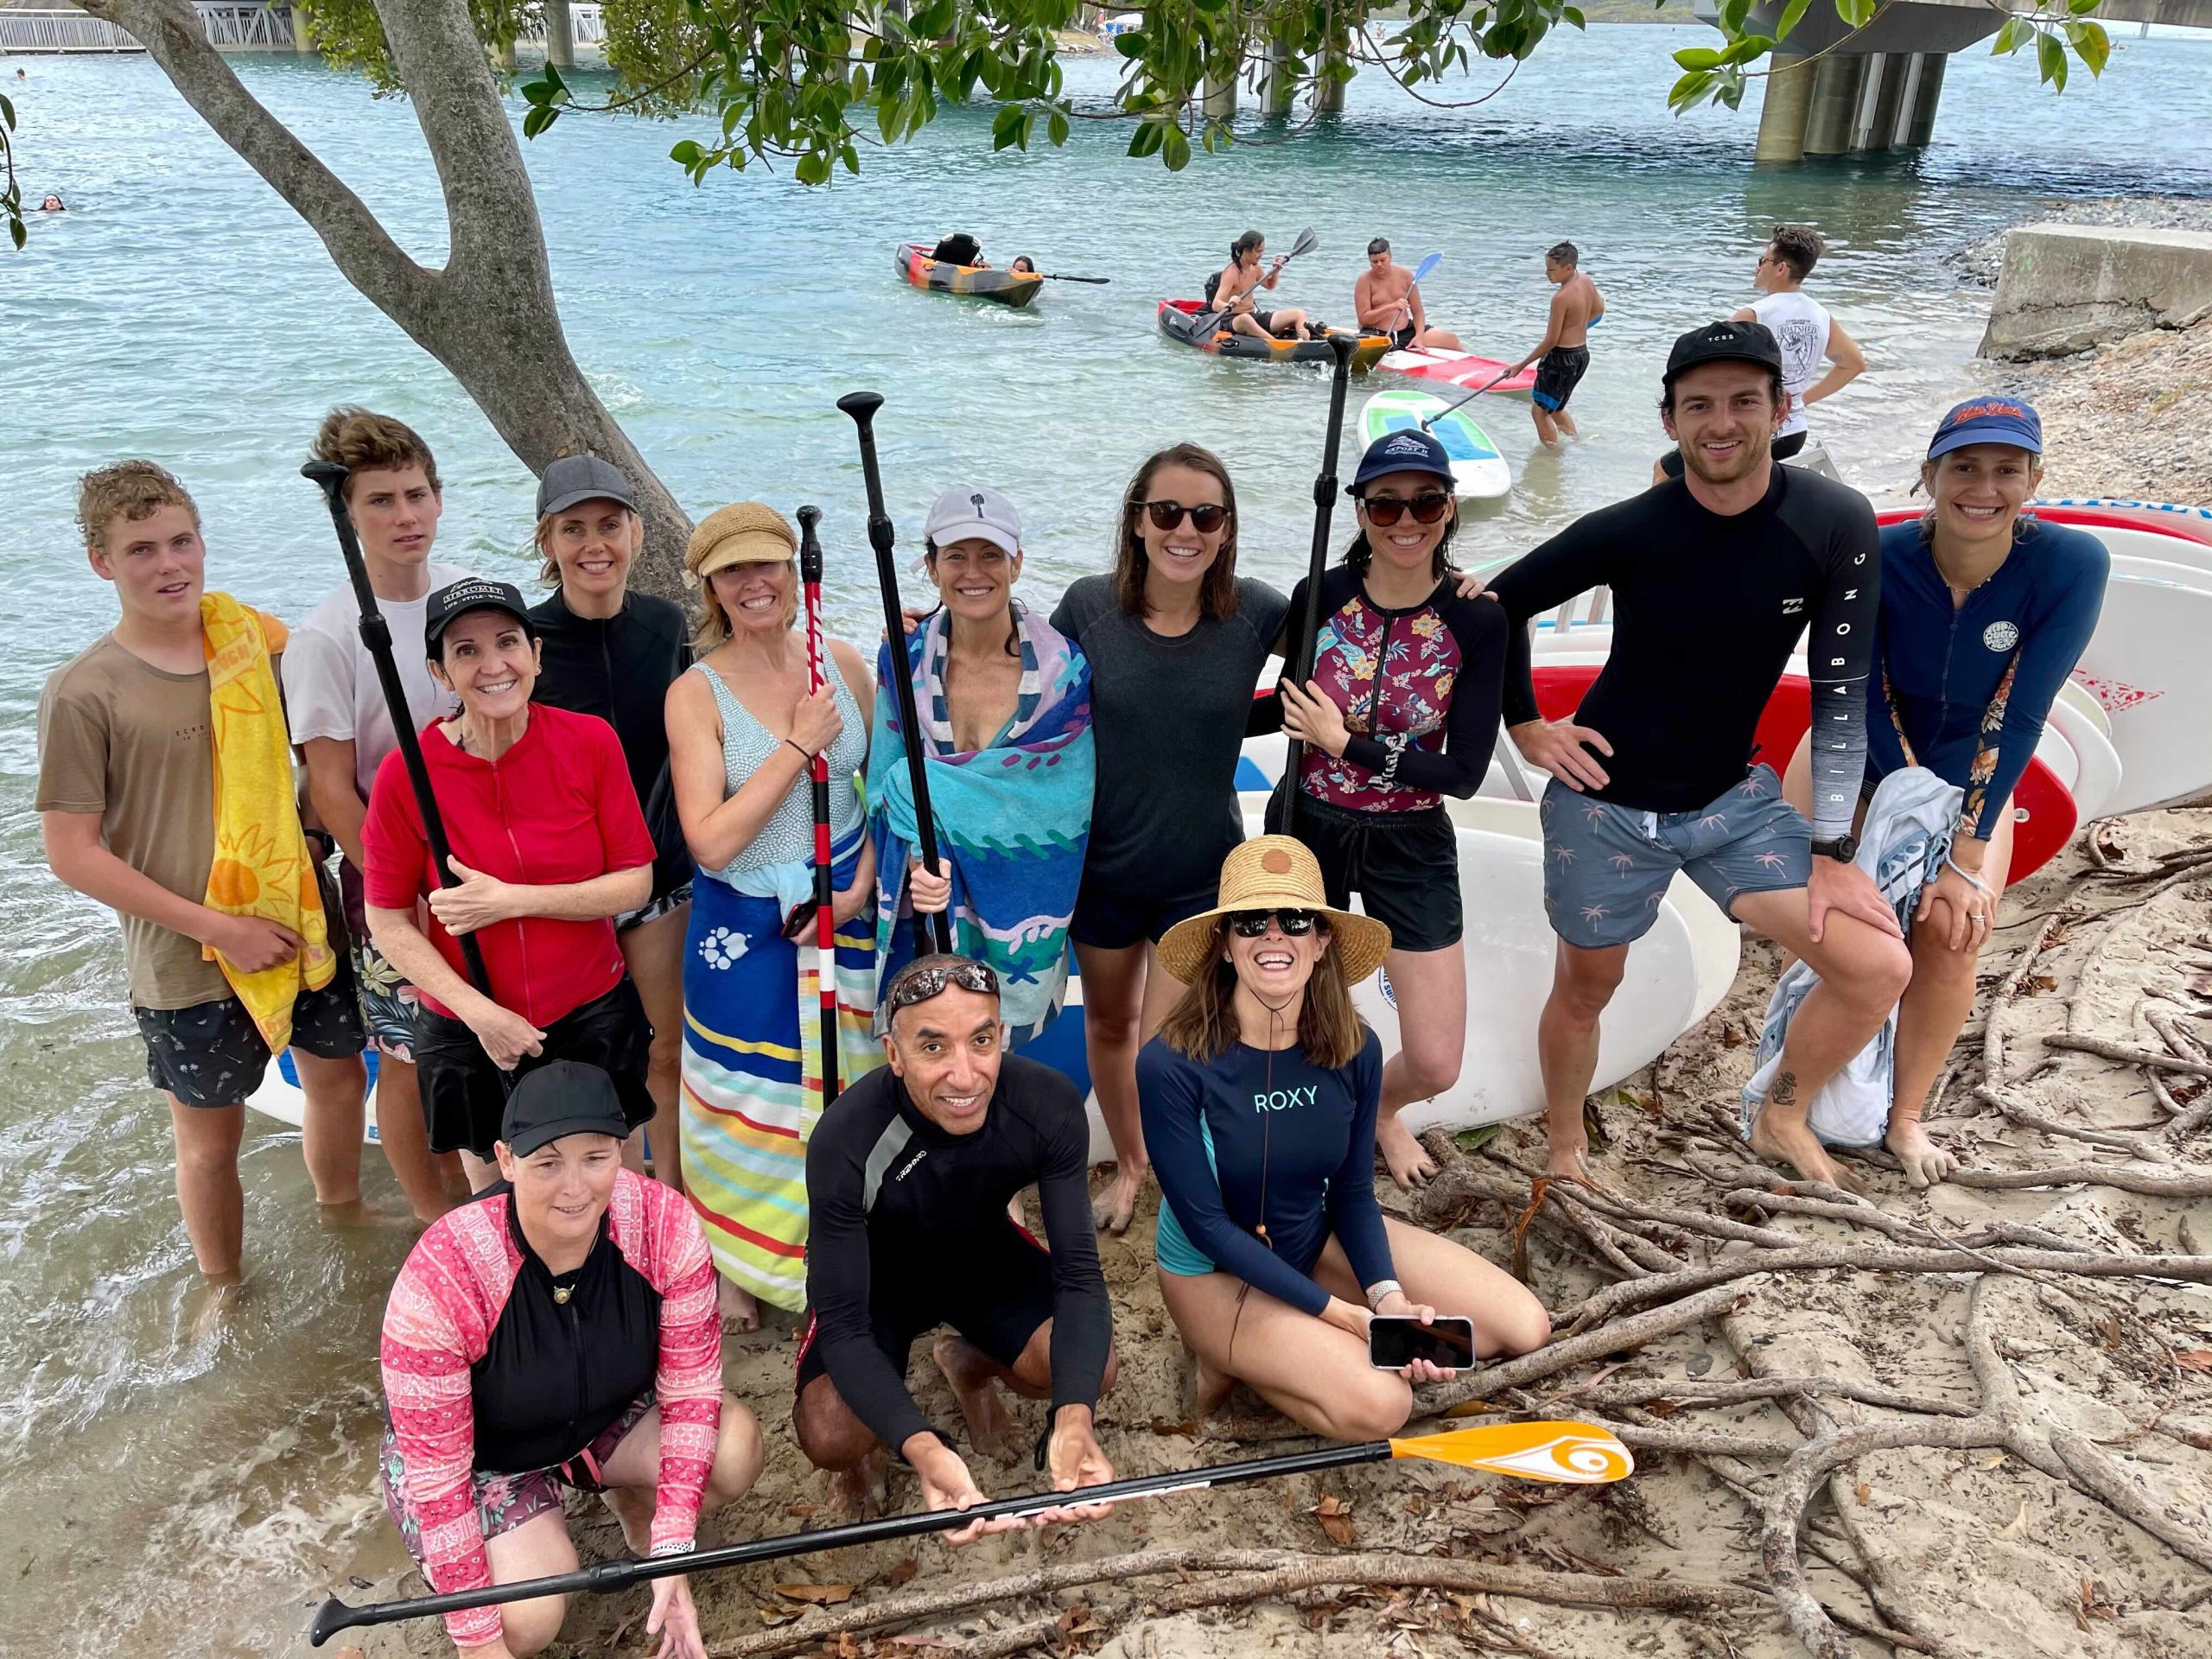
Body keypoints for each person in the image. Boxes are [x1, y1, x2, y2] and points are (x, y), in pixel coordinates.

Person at [1484, 321, 1913, 1191]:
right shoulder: (1631, 527)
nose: (1722, 423)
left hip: (1729, 801)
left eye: (1743, 402)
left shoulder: (1832, 521)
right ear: (1671, 421)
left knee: (1877, 968)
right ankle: (1566, 1142)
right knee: (1587, 987)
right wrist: (1527, 725)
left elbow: (1840, 693)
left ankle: (1781, 1111)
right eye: (1698, 406)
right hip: (1603, 799)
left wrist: (1832, 852)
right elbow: (1499, 606)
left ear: (1780, 408)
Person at [38, 461, 368, 1282]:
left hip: (297, 914)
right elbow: (72, 852)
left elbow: (319, 762)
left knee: (337, 1081)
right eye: (141, 549)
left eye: (181, 541)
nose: (169, 565)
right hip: (184, 953)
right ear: (102, 563)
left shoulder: (254, 643)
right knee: (210, 1139)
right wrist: (219, 928)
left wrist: (321, 840)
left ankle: (345, 1218)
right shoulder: (85, 692)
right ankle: (225, 1287)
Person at [1778, 397, 2105, 1188]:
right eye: (1963, 466)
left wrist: (1960, 851)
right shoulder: (1877, 555)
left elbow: (2020, 710)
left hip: (1974, 770)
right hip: (1856, 757)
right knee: (1848, 925)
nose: (1983, 487)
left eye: (2006, 469)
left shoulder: (2071, 563)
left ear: (2034, 478)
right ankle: (1796, 1089)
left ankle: (1906, 1117)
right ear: (1929, 474)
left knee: (1957, 930)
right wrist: (1896, 814)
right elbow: (1850, 693)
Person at [1139, 836, 1549, 1440]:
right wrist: (1344, 1317)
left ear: (1321, 940)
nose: (1273, 936)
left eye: (1296, 920)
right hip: (1215, 1273)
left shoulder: (1355, 1049)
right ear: (1224, 945)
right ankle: (1230, 1356)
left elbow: (1354, 1192)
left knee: (1520, 1328)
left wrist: (1385, 1299)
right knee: (1383, 1406)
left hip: (1309, 1239)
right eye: (1251, 922)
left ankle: (1295, 1342)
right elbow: (1207, 1225)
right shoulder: (1170, 1064)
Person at [378, 1061, 764, 1659]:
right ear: (505, 1161)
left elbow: (690, 1393)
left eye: (595, 1156)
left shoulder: (665, 1224)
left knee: (732, 1453)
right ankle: (532, 1533)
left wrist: (673, 1549)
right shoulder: (444, 1275)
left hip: (604, 1418)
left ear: (625, 1148)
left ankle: (631, 1505)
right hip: (486, 1459)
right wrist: (479, 1645)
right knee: (524, 1623)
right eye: (547, 1162)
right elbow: (440, 1482)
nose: (575, 1188)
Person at [1051, 444, 1291, 1234]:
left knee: (1168, 1049)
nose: (1185, 529)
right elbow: (1011, 681)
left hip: (1199, 872)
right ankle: (1130, 1166)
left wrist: (1456, 590)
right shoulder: (1088, 607)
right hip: (1104, 869)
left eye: (1206, 516)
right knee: (1109, 1026)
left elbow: (1359, 629)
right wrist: (936, 630)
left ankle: (1191, 1180)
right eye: (1168, 512)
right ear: (1138, 521)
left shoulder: (1255, 612)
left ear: (1226, 531)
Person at [795, 955, 1117, 1525]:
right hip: (877, 1283)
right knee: (832, 1434)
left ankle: (969, 1365)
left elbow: (1080, 1279)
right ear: (894, 1054)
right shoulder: (846, 1138)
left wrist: (1074, 1418)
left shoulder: (1045, 1103)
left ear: (1003, 1037)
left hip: (983, 1258)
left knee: (1091, 1369)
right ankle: (862, 1458)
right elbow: (844, 1328)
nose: (965, 1076)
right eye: (934, 1047)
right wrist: (921, 1446)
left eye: (982, 1040)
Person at [362, 579, 659, 1193]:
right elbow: (387, 919)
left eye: (507, 643)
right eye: (466, 651)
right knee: (499, 1203)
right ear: (440, 672)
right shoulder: (406, 774)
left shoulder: (589, 743)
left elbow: (635, 882)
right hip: (471, 1026)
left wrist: (512, 901)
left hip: (590, 1011)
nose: (493, 665)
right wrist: (481, 1016)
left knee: (611, 1188)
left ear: (536, 655)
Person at [1268, 430, 1508, 1188]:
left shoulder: (1477, 619)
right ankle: (1320, 1126)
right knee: (1307, 1008)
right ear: (1362, 511)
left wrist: (1349, 743)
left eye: (1427, 502)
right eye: (1386, 504)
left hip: (1412, 835)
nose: (1407, 520)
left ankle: (1378, 1110)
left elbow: (1465, 772)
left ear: (1450, 509)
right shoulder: (1321, 595)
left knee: (1436, 1058)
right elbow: (1274, 700)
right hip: (1308, 822)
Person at [664, 502, 881, 1328]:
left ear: (795, 575)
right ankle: (746, 1261)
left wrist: (859, 886)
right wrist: (797, 746)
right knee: (750, 1090)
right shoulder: (696, 693)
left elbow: (886, 796)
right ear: (711, 587)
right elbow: (710, 842)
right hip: (747, 921)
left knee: (851, 1071)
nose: (754, 584)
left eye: (770, 566)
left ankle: (849, 1235)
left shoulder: (846, 665)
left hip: (844, 905)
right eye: (734, 572)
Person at [284, 408, 472, 1222]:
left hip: (480, 856)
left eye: (417, 494)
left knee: (479, 1031)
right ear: (348, 515)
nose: (405, 517)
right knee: (404, 1051)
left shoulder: (463, 597)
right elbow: (329, 787)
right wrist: (403, 892)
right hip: (389, 868)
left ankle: (483, 1190)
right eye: (381, 502)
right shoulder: (325, 638)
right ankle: (431, 1212)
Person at [871, 486, 1093, 1049]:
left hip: (1016, 897)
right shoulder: (904, 657)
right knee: (930, 1041)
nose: (975, 572)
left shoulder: (1061, 673)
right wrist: (919, 855)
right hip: (927, 896)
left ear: (1017, 562)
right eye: (956, 556)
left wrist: (939, 801)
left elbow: (1063, 802)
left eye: (991, 554)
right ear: (930, 567)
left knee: (996, 1053)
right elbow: (887, 780)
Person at [527, 454, 694, 1192]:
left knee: (663, 1050)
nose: (594, 544)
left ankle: (672, 1197)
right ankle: (601, 1195)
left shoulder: (664, 624)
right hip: (567, 886)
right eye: (574, 529)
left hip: (659, 876)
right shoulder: (523, 640)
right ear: (547, 543)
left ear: (636, 530)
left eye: (609, 525)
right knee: (585, 1058)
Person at [1658, 225, 1866, 483]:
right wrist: (1801, 400)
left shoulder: (1755, 314)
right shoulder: (1820, 314)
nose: (1757, 267)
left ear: (1781, 269)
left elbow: (1716, 373)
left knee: (1664, 471)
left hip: (1761, 431)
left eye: (1763, 260)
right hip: (1795, 432)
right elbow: (1854, 364)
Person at [1508, 242, 1605, 446]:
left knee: (1539, 411)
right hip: (1581, 356)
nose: (1547, 274)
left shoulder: (1560, 298)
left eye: (1551, 269)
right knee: (1557, 408)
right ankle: (1575, 445)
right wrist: (1578, 328)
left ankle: (1551, 457)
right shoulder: (1586, 281)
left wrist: (1521, 365)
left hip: (1561, 359)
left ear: (1568, 268)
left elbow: (1551, 341)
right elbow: (1599, 310)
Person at [1354, 238, 1462, 352]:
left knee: (1452, 339)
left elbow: (1418, 312)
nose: (1379, 265)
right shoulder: (1364, 281)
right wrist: (1392, 306)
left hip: (1406, 332)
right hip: (1377, 335)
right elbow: (1364, 319)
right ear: (1369, 261)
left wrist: (1419, 336)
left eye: (1383, 260)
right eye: (1375, 262)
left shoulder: (1405, 275)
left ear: (1390, 256)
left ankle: (1479, 367)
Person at [1211, 230, 1311, 343]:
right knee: (1245, 319)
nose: (1261, 255)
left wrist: (1276, 272)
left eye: (1262, 251)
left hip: (1252, 316)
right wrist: (1229, 304)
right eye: (1258, 251)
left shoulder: (1255, 268)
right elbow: (1216, 305)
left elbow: (1269, 285)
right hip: (1232, 320)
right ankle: (1276, 343)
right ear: (1246, 251)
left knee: (1299, 313)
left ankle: (1305, 341)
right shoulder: (1231, 272)